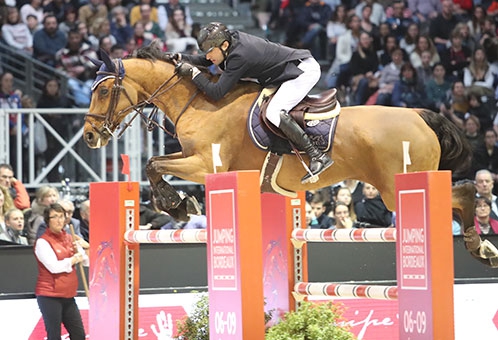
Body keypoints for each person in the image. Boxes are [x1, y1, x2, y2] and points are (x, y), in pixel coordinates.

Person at [144, 22, 333, 183]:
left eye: (211, 51)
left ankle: (317, 156)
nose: (208, 56)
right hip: (284, 73)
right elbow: (206, 59)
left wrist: (194, 73)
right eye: (207, 52)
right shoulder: (229, 43)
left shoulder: (240, 56)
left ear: (224, 45)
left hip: (301, 72)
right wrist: (181, 57)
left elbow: (216, 92)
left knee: (273, 112)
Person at [34, 203, 88, 340]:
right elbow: (54, 267)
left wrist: (84, 248)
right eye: (55, 217)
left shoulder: (71, 239)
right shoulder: (42, 242)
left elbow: (86, 262)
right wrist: (74, 259)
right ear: (48, 220)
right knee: (54, 336)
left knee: (79, 335)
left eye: (62, 216)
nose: (59, 220)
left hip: (68, 295)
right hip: (49, 295)